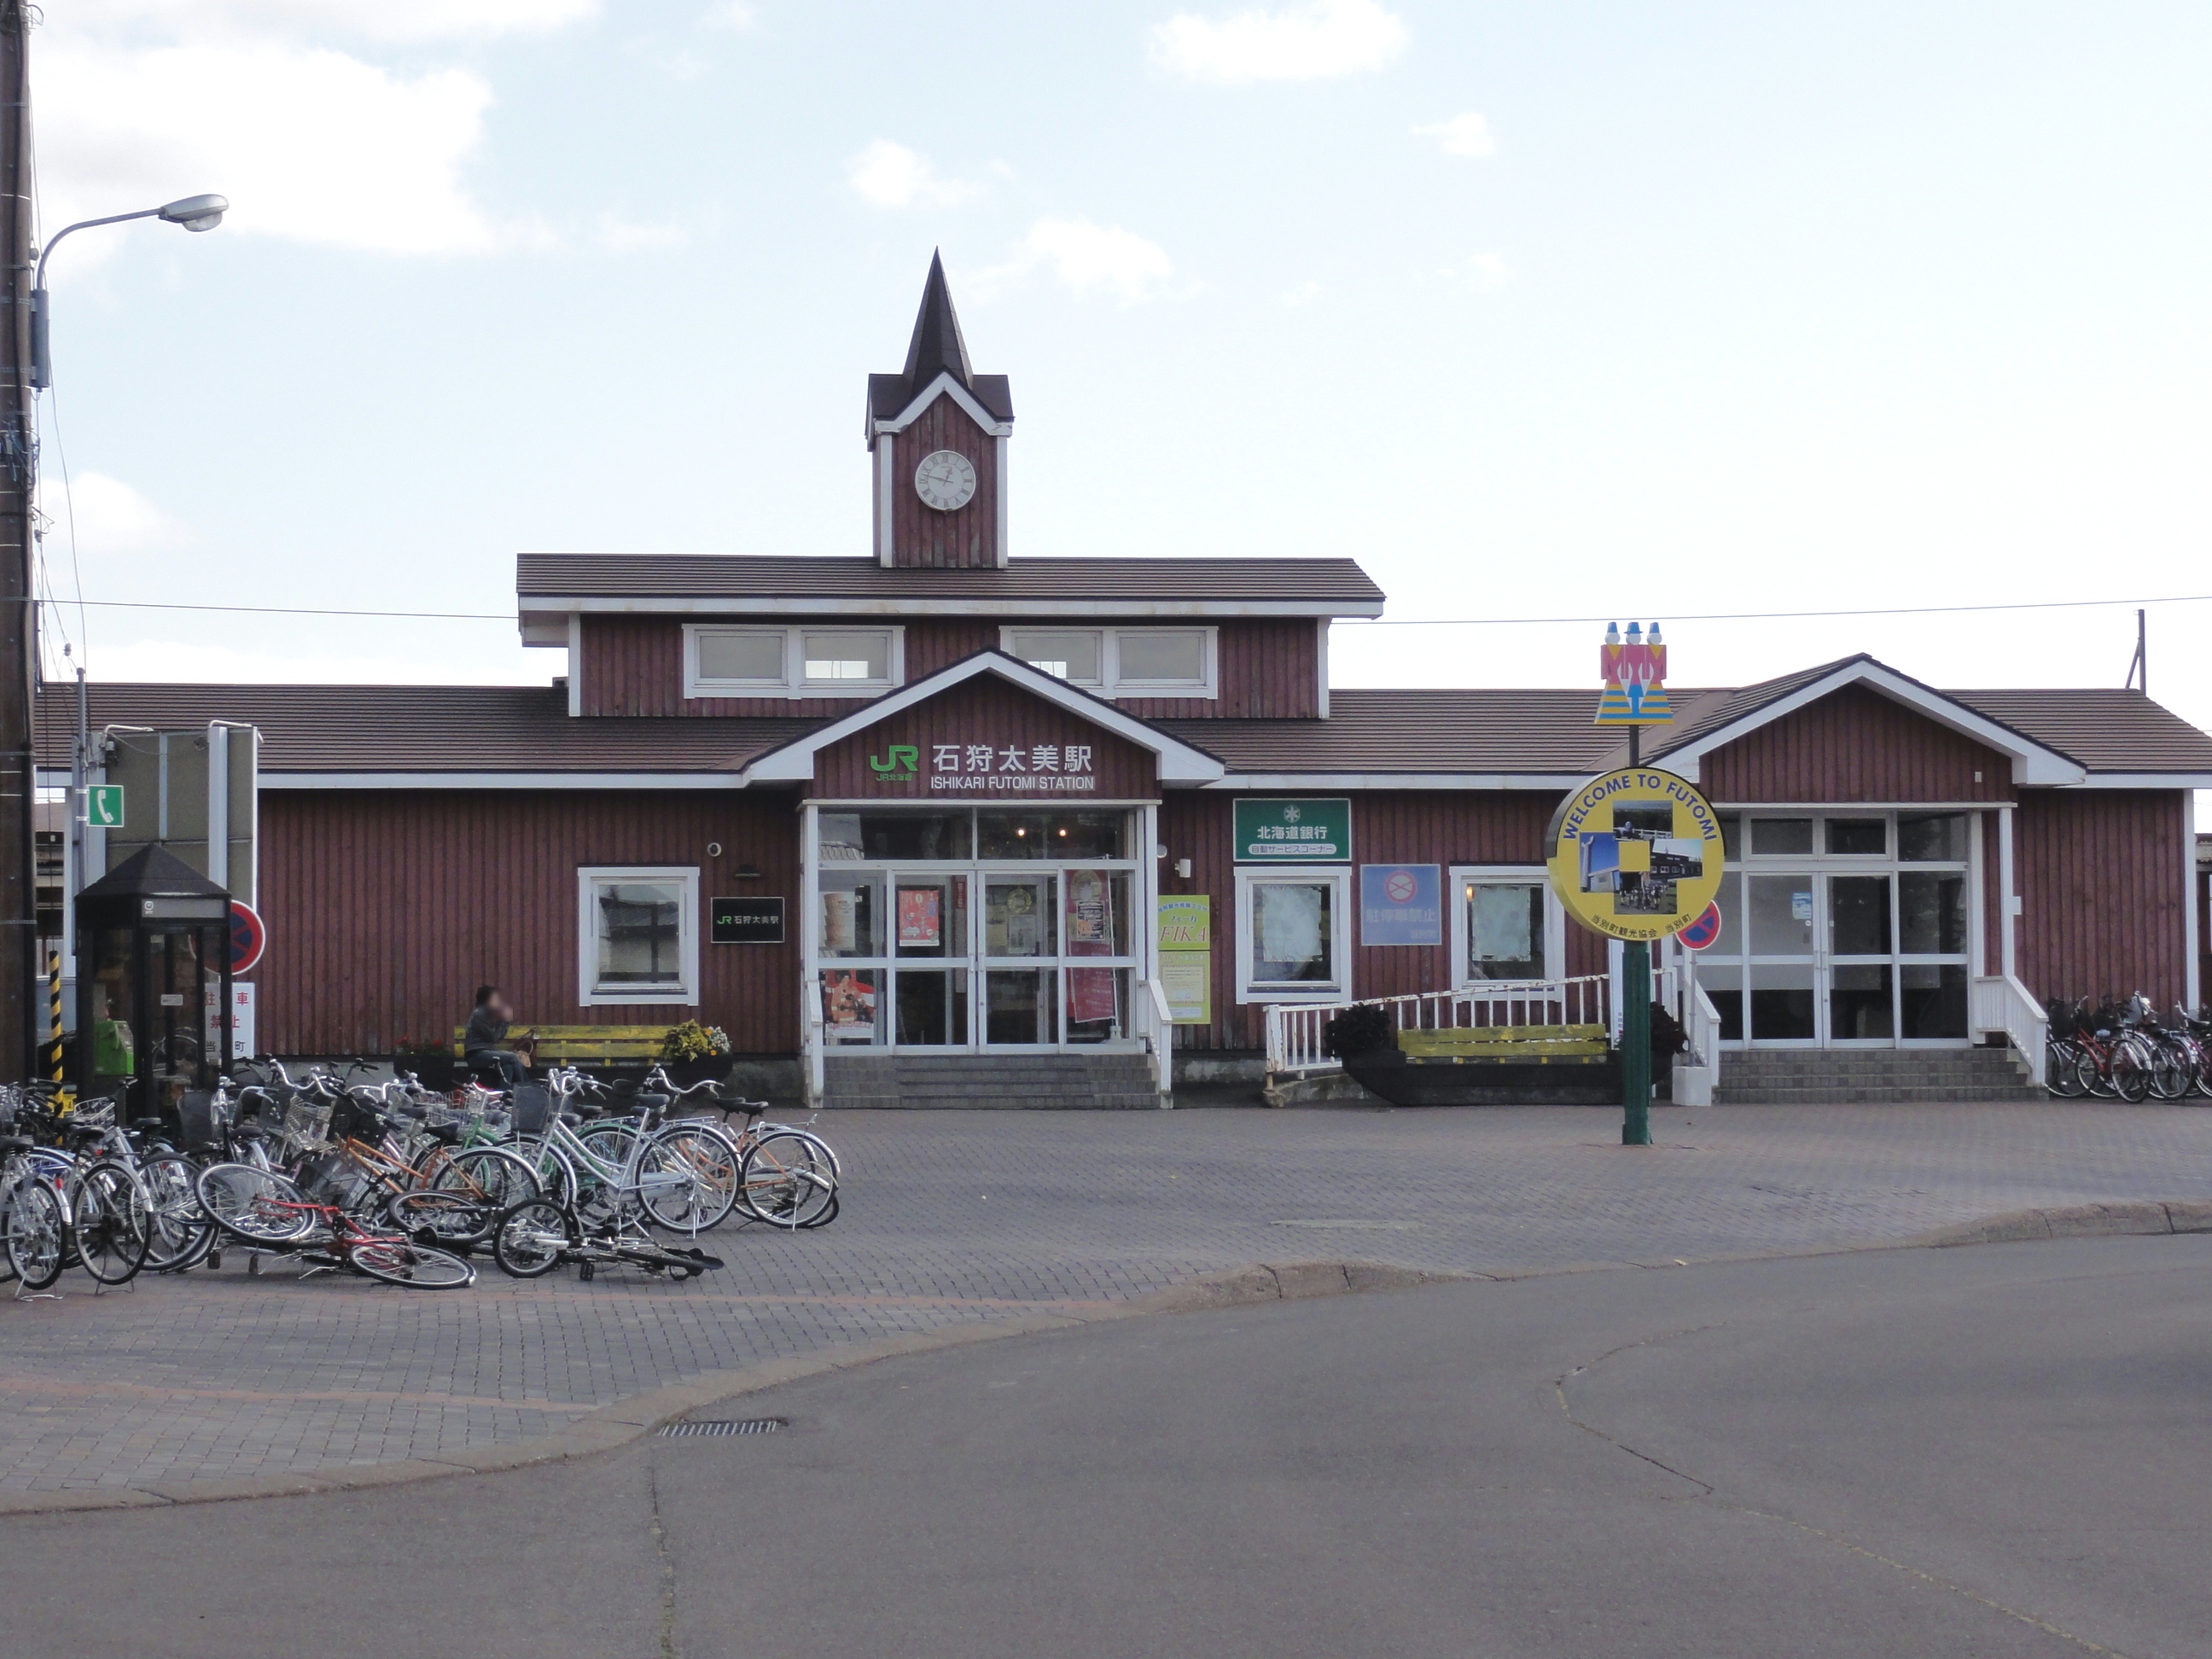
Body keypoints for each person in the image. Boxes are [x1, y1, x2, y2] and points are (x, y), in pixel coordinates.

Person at [463, 985, 535, 1089]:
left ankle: (503, 1096)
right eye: (495, 999)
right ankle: (527, 1089)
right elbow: (492, 1037)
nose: (498, 1002)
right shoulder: (479, 1014)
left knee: (508, 1066)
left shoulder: (491, 1014)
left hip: (487, 1053)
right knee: (513, 1057)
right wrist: (504, 1020)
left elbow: (497, 1038)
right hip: (476, 1055)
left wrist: (505, 1021)